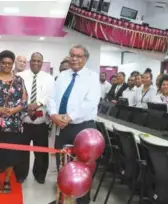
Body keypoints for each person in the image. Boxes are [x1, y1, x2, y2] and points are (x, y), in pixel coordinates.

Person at [47, 44, 100, 204]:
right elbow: (51, 98)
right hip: (62, 127)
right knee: (63, 166)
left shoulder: (92, 77)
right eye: (72, 55)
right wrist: (54, 115)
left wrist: (68, 117)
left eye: (78, 56)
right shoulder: (62, 76)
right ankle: (62, 200)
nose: (74, 59)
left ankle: (82, 201)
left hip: (83, 129)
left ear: (86, 59)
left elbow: (90, 103)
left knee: (82, 170)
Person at [0, 50, 28, 193]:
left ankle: (7, 180)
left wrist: (13, 111)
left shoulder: (18, 80)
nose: (6, 65)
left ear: (13, 64)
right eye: (3, 63)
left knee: (12, 155)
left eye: (9, 63)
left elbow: (24, 102)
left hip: (14, 125)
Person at [15, 52, 54, 184]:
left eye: (39, 61)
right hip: (24, 121)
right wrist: (27, 105)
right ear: (29, 62)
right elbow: (16, 95)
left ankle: (40, 175)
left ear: (42, 63)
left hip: (41, 122)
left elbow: (50, 96)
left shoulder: (49, 78)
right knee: (22, 150)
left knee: (41, 151)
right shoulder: (19, 76)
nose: (36, 63)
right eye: (34, 60)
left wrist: (37, 103)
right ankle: (21, 174)